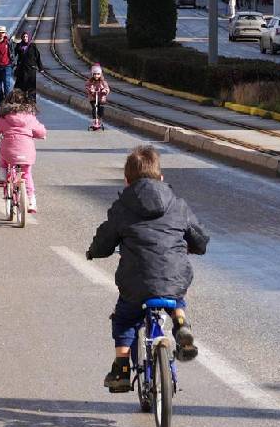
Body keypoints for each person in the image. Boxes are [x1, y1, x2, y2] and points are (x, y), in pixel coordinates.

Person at [86, 145, 209, 392]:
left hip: (136, 283)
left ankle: (121, 368)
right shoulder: (177, 204)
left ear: (127, 179)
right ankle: (181, 323)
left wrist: (94, 252)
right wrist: (194, 247)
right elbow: (200, 238)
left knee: (125, 318)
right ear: (161, 177)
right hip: (174, 276)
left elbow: (105, 240)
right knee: (174, 295)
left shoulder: (122, 206)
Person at [0, 89, 47, 213]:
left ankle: (2, 174)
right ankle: (31, 201)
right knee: (26, 174)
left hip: (9, 150)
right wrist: (42, 135)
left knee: (3, 154)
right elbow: (40, 131)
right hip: (27, 150)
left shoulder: (4, 117)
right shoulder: (30, 117)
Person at [13, 32, 42, 102]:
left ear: (28, 37)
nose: (25, 38)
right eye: (24, 37)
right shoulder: (18, 46)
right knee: (20, 86)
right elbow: (13, 55)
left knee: (31, 87)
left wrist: (40, 67)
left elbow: (37, 57)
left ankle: (31, 103)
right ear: (22, 38)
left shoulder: (32, 46)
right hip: (21, 70)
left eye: (26, 36)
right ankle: (20, 102)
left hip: (31, 70)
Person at [86, 64, 110, 130]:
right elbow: (87, 86)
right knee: (94, 108)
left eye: (98, 74)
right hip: (93, 97)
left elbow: (107, 88)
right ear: (92, 74)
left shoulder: (103, 82)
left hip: (101, 98)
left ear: (100, 74)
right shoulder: (90, 81)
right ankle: (94, 120)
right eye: (94, 74)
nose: (96, 76)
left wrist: (105, 90)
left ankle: (99, 119)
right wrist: (90, 90)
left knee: (101, 109)